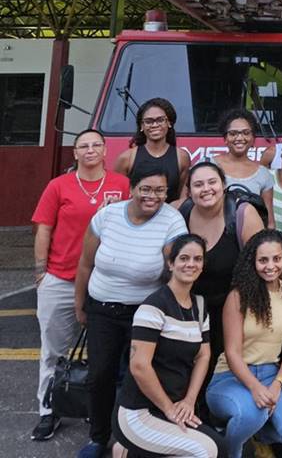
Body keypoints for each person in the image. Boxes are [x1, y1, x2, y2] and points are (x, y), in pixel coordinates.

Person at [73, 166, 188, 458]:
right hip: (101, 309)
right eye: (146, 189)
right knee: (99, 375)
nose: (153, 196)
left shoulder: (172, 221)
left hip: (144, 313)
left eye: (160, 191)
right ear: (132, 189)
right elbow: (86, 264)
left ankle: (127, 439)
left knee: (136, 377)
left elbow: (174, 267)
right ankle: (99, 437)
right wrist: (80, 304)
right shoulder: (107, 216)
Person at [30, 129, 130, 442]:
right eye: (83, 146)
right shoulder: (58, 185)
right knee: (55, 351)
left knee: (102, 353)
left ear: (105, 151)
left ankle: (94, 407)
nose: (89, 150)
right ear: (75, 153)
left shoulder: (121, 184)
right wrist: (40, 272)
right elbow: (44, 229)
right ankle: (49, 409)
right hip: (60, 277)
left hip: (105, 281)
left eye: (95, 145)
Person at [112, 234, 226, 458]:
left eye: (197, 259)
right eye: (184, 258)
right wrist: (169, 409)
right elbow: (139, 366)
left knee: (220, 447)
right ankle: (127, 449)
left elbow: (204, 355)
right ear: (171, 263)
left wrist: (189, 400)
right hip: (139, 411)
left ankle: (128, 454)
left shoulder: (200, 305)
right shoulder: (154, 306)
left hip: (174, 405)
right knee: (207, 452)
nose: (191, 264)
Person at [206, 230, 282, 457]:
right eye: (263, 260)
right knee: (253, 412)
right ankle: (230, 451)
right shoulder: (238, 296)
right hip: (231, 376)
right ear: (253, 262)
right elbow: (232, 352)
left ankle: (254, 437)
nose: (270, 266)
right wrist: (255, 388)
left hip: (271, 373)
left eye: (276, 258)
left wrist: (277, 384)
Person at [181, 161, 265, 412]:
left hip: (234, 306)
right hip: (192, 307)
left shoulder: (242, 214)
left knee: (226, 365)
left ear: (224, 185)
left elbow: (261, 264)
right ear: (189, 191)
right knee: (192, 364)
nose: (206, 189)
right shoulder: (181, 213)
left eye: (212, 182)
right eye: (198, 184)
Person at [114, 98, 190, 203]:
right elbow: (119, 197)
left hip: (169, 217)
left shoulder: (182, 157)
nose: (154, 125)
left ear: (169, 123)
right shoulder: (127, 158)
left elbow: (183, 198)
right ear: (141, 126)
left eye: (160, 120)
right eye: (148, 121)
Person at [211, 109, 276, 228]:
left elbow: (269, 222)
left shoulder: (264, 174)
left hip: (250, 241)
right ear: (225, 139)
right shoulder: (209, 165)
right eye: (233, 133)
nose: (240, 138)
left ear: (253, 138)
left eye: (246, 133)